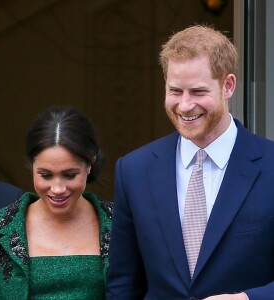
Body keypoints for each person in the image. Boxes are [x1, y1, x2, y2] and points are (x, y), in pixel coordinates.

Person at [106, 25, 274, 300]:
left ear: (228, 85)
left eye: (197, 92)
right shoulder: (134, 170)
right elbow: (123, 284)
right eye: (175, 90)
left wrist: (247, 299)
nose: (184, 105)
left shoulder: (271, 167)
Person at [0, 106, 113, 299]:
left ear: (90, 164)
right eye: (46, 175)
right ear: (31, 165)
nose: (57, 188)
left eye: (70, 175)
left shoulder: (121, 226)